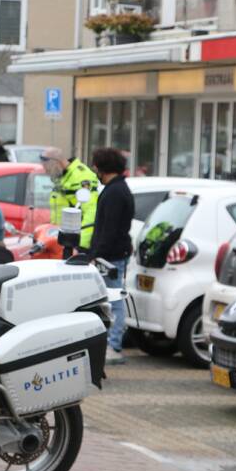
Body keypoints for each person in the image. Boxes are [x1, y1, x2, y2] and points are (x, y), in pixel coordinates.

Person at [89, 148, 135, 366]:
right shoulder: (116, 189)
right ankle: (111, 342)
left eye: (96, 166)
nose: (94, 170)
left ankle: (114, 345)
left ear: (103, 168)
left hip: (111, 256)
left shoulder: (115, 192)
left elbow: (110, 229)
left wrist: (96, 254)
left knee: (114, 299)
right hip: (112, 254)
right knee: (110, 299)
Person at [41, 147, 99, 251]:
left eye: (47, 168)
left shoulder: (81, 176)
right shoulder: (62, 176)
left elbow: (91, 212)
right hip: (62, 240)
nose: (46, 172)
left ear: (55, 162)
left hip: (74, 243)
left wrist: (81, 245)